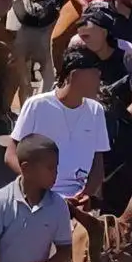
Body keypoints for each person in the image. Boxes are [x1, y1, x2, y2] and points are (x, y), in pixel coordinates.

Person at [9, 57, 110, 203]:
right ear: (74, 76)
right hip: (38, 195)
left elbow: (98, 163)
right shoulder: (36, 105)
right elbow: (10, 154)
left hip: (77, 199)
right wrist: (36, 184)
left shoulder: (97, 111)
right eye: (95, 76)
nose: (99, 83)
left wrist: (87, 194)